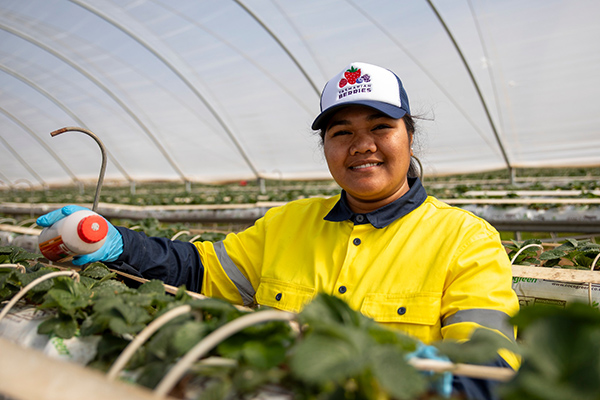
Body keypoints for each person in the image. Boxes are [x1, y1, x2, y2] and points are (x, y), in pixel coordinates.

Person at [38, 62, 519, 399]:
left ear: (408, 136)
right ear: (326, 146)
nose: (362, 146)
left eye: (380, 127)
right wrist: (115, 243)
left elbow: (487, 368)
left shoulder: (465, 240)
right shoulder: (286, 224)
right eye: (342, 132)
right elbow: (200, 270)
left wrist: (403, 373)